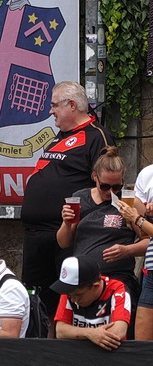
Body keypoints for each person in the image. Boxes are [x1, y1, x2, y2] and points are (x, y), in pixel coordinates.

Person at [21, 81, 114, 321]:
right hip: (35, 235)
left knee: (64, 303)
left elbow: (107, 186)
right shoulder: (59, 137)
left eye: (54, 106)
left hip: (66, 235)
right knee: (35, 303)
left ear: (71, 105)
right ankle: (36, 351)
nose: (50, 111)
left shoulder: (97, 136)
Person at [56, 146, 147, 298]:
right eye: (104, 186)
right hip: (82, 278)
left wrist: (127, 250)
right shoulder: (80, 198)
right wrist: (66, 223)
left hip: (116, 278)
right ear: (95, 177)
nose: (110, 192)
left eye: (116, 187)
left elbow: (148, 242)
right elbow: (64, 243)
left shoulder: (129, 202)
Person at [51, 255, 130, 350]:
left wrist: (76, 333)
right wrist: (89, 333)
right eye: (70, 295)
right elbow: (60, 331)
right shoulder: (70, 292)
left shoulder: (117, 290)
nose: (73, 300)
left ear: (95, 286)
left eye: (78, 295)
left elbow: (118, 332)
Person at [118, 166, 153, 339]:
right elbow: (145, 234)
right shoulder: (148, 174)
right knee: (142, 344)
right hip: (151, 271)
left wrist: (136, 219)